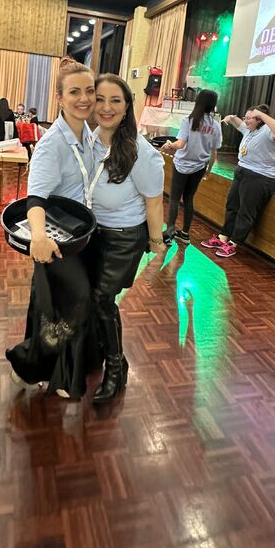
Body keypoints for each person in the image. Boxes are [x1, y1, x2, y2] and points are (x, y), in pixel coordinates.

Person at [5, 59, 98, 399]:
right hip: (56, 239)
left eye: (89, 91)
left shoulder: (88, 134)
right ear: (59, 97)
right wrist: (40, 237)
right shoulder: (52, 144)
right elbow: (35, 199)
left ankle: (55, 368)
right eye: (74, 92)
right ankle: (30, 364)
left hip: (81, 235)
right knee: (69, 301)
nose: (84, 98)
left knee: (56, 303)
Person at [88, 74, 165, 403]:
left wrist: (157, 244)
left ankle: (116, 367)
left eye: (115, 100)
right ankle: (100, 352)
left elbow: (154, 202)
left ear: (127, 106)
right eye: (100, 99)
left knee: (102, 299)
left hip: (123, 237)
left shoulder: (140, 151)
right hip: (92, 233)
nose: (106, 107)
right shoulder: (89, 140)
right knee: (92, 298)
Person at [201, 104, 275, 258]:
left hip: (261, 176)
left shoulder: (268, 131)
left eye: (249, 118)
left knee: (246, 211)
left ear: (260, 120)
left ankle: (234, 243)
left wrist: (262, 115)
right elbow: (240, 124)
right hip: (243, 170)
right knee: (232, 205)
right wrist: (232, 118)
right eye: (245, 117)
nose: (246, 120)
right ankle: (223, 237)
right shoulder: (250, 130)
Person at [161, 89, 222, 244]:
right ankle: (185, 234)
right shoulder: (216, 126)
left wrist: (169, 145)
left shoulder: (188, 121)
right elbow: (214, 152)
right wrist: (208, 171)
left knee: (174, 199)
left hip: (182, 165)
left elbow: (180, 144)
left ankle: (169, 233)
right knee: (188, 199)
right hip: (199, 167)